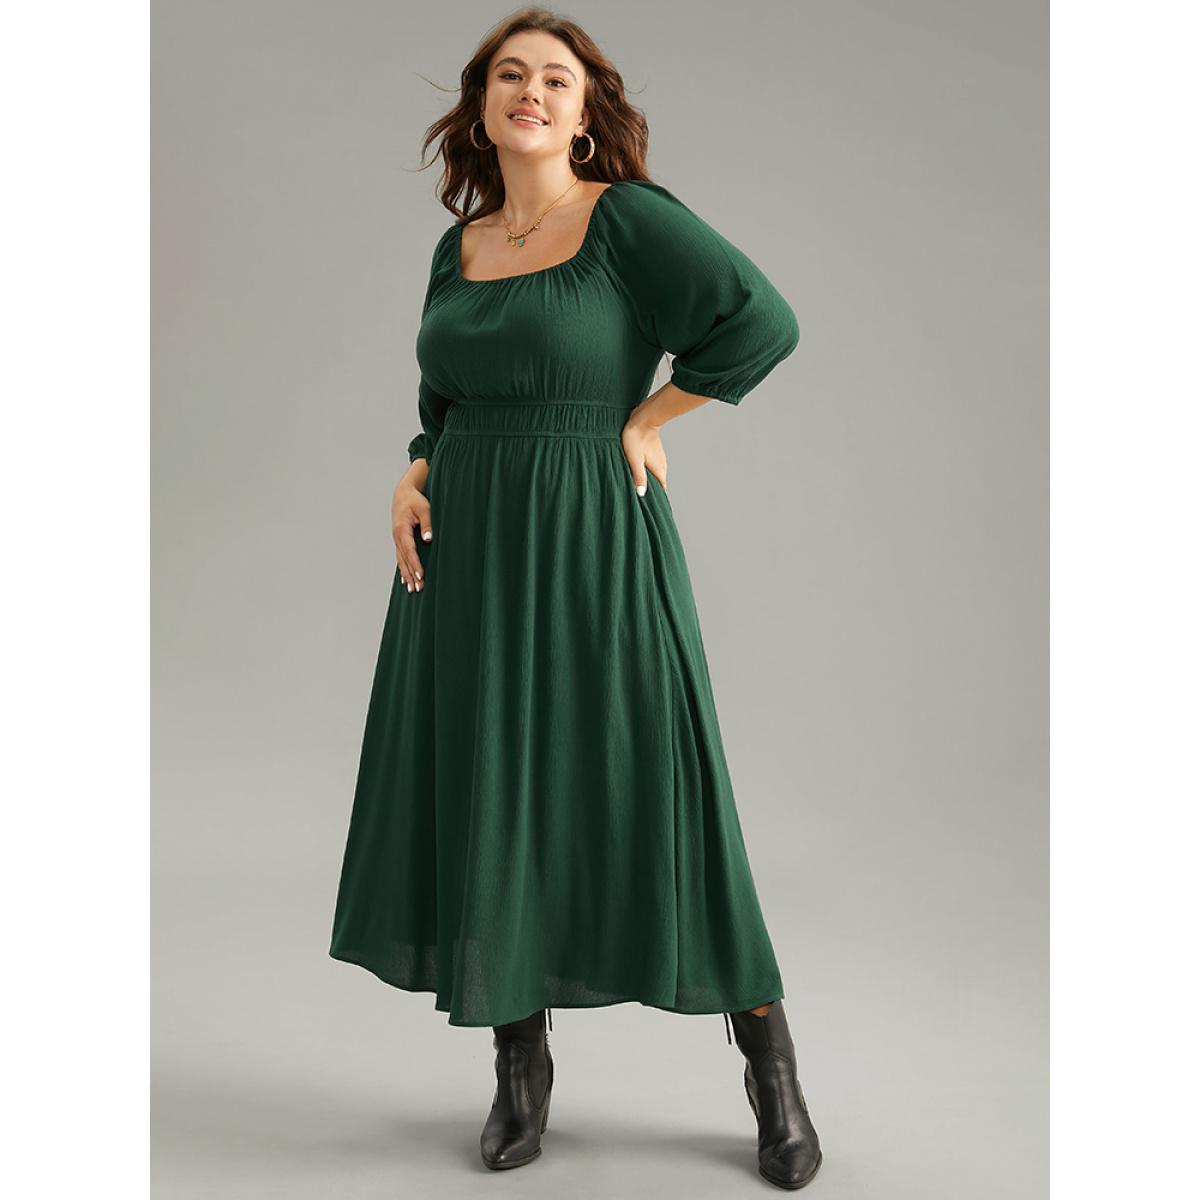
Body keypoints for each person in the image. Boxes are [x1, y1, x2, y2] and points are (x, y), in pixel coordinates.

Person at [328, 6, 822, 1190]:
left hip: (594, 534)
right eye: (511, 74)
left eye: (556, 78)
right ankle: (519, 1068)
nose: (532, 92)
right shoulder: (457, 247)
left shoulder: (628, 221)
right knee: (492, 780)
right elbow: (445, 399)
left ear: (586, 109)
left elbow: (762, 321)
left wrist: (652, 416)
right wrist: (413, 470)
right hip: (467, 551)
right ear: (482, 105)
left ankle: (771, 1069)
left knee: (663, 782)